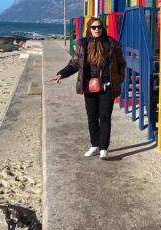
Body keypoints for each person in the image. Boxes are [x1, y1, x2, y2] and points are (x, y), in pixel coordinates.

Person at [52, 17, 126, 159]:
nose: (97, 29)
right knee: (92, 117)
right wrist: (61, 74)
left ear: (102, 27)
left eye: (99, 27)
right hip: (89, 87)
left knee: (104, 117)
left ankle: (104, 148)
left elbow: (121, 63)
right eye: (93, 27)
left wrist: (118, 78)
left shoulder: (112, 43)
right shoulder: (82, 44)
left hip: (107, 87)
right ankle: (94, 145)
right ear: (89, 29)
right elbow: (74, 64)